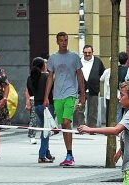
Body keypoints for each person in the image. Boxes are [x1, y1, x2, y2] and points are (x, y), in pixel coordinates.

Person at [44, 31, 85, 167]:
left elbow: (79, 75)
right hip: (57, 95)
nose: (64, 42)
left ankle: (69, 154)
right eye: (61, 40)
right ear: (57, 42)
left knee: (67, 122)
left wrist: (82, 95)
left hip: (70, 94)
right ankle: (69, 153)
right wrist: (46, 96)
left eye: (66, 40)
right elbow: (50, 77)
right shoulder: (53, 58)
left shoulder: (74, 57)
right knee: (63, 125)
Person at [26, 57, 56, 163]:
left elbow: (30, 92)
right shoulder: (47, 76)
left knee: (45, 129)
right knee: (46, 131)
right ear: (44, 66)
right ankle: (42, 155)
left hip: (37, 106)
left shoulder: (30, 78)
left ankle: (47, 153)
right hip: (48, 105)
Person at [74, 45, 105, 127]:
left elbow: (102, 73)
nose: (87, 54)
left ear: (92, 52)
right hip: (80, 90)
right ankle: (80, 127)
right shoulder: (78, 61)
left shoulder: (98, 61)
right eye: (85, 52)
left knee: (93, 110)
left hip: (93, 89)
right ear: (83, 52)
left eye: (89, 52)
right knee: (79, 109)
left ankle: (92, 127)